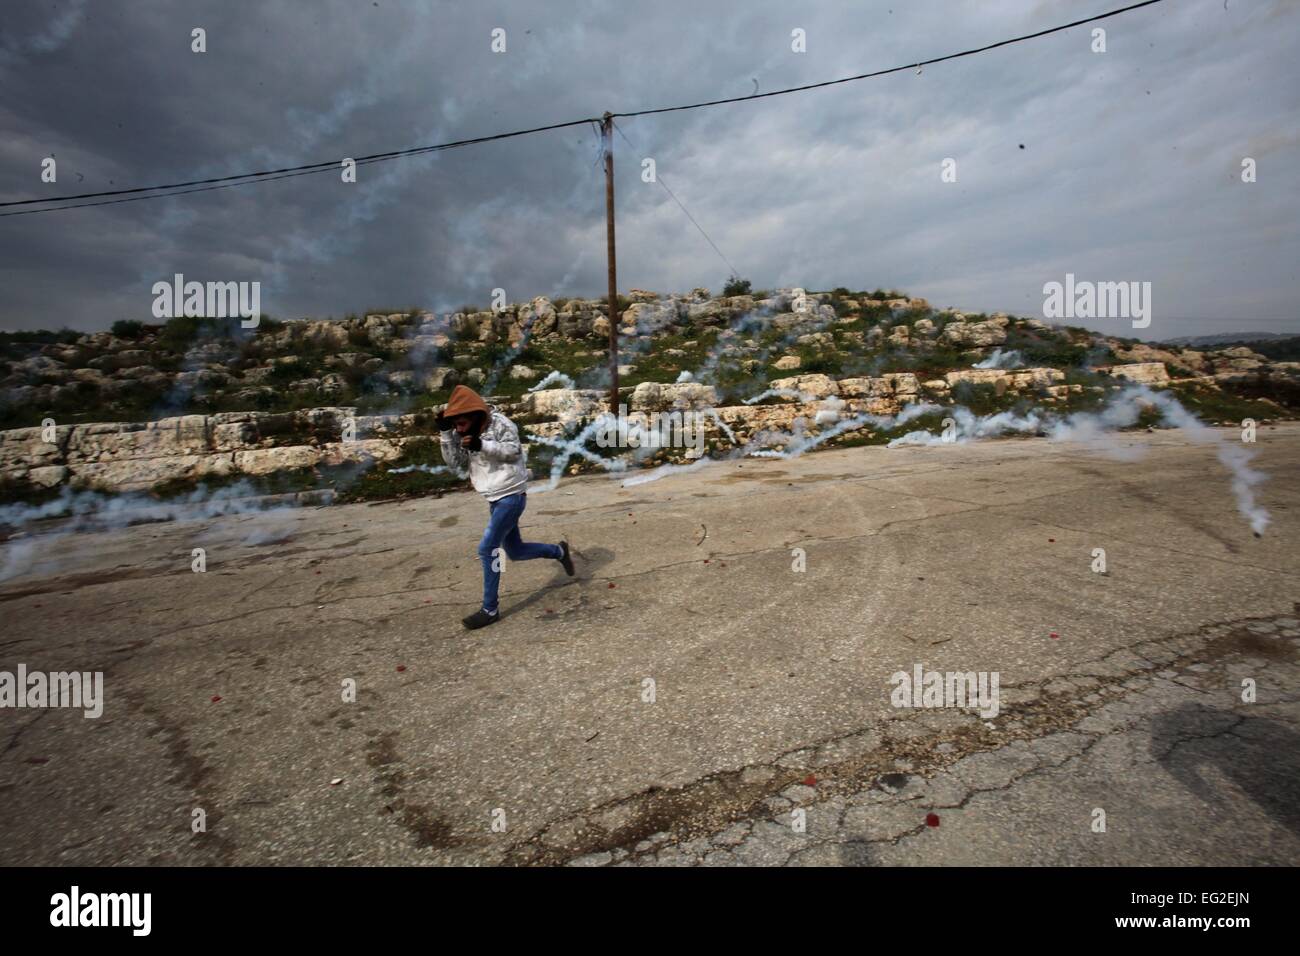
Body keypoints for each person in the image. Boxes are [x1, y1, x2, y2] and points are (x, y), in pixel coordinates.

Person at [437, 384, 574, 629]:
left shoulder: (501, 424)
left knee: (488, 548)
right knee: (516, 551)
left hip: (511, 496)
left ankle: (490, 609)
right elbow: (455, 464)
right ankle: (559, 552)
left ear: (476, 414)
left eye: (461, 420)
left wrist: (482, 445)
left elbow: (513, 452)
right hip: (493, 498)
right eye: (453, 421)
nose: (458, 425)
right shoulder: (460, 431)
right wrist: (446, 434)